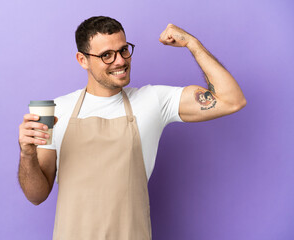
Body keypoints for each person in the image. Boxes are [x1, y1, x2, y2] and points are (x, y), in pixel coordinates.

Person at [18, 16, 246, 240]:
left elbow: (231, 100)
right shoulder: (55, 111)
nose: (120, 61)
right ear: (82, 59)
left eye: (123, 50)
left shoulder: (153, 101)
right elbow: (36, 195)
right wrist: (27, 154)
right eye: (107, 55)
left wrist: (192, 43)